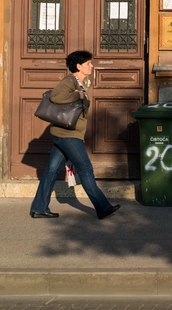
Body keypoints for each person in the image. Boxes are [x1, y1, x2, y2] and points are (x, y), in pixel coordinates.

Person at [30, 50, 120, 220]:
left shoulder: (80, 82)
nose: (91, 66)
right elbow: (56, 96)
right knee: (85, 168)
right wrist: (77, 94)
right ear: (78, 66)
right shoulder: (69, 81)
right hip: (68, 135)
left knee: (51, 171)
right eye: (88, 63)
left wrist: (82, 89)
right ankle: (103, 207)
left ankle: (39, 208)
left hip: (63, 134)